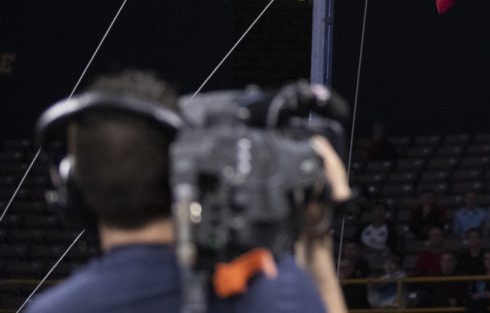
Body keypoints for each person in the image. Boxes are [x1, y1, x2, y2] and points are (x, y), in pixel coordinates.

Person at [27, 71, 330, 313]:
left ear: (74, 193)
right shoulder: (276, 292)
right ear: (185, 168)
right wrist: (315, 244)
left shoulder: (53, 308)